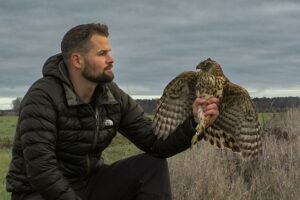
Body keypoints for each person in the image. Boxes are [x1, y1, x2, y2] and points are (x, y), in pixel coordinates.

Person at [6, 23, 219, 200]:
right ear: (77, 60)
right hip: (37, 192)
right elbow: (42, 170)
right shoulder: (43, 96)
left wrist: (195, 123)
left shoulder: (110, 95)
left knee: (152, 166)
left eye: (109, 51)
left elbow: (154, 142)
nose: (111, 59)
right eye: (102, 53)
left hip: (88, 182)